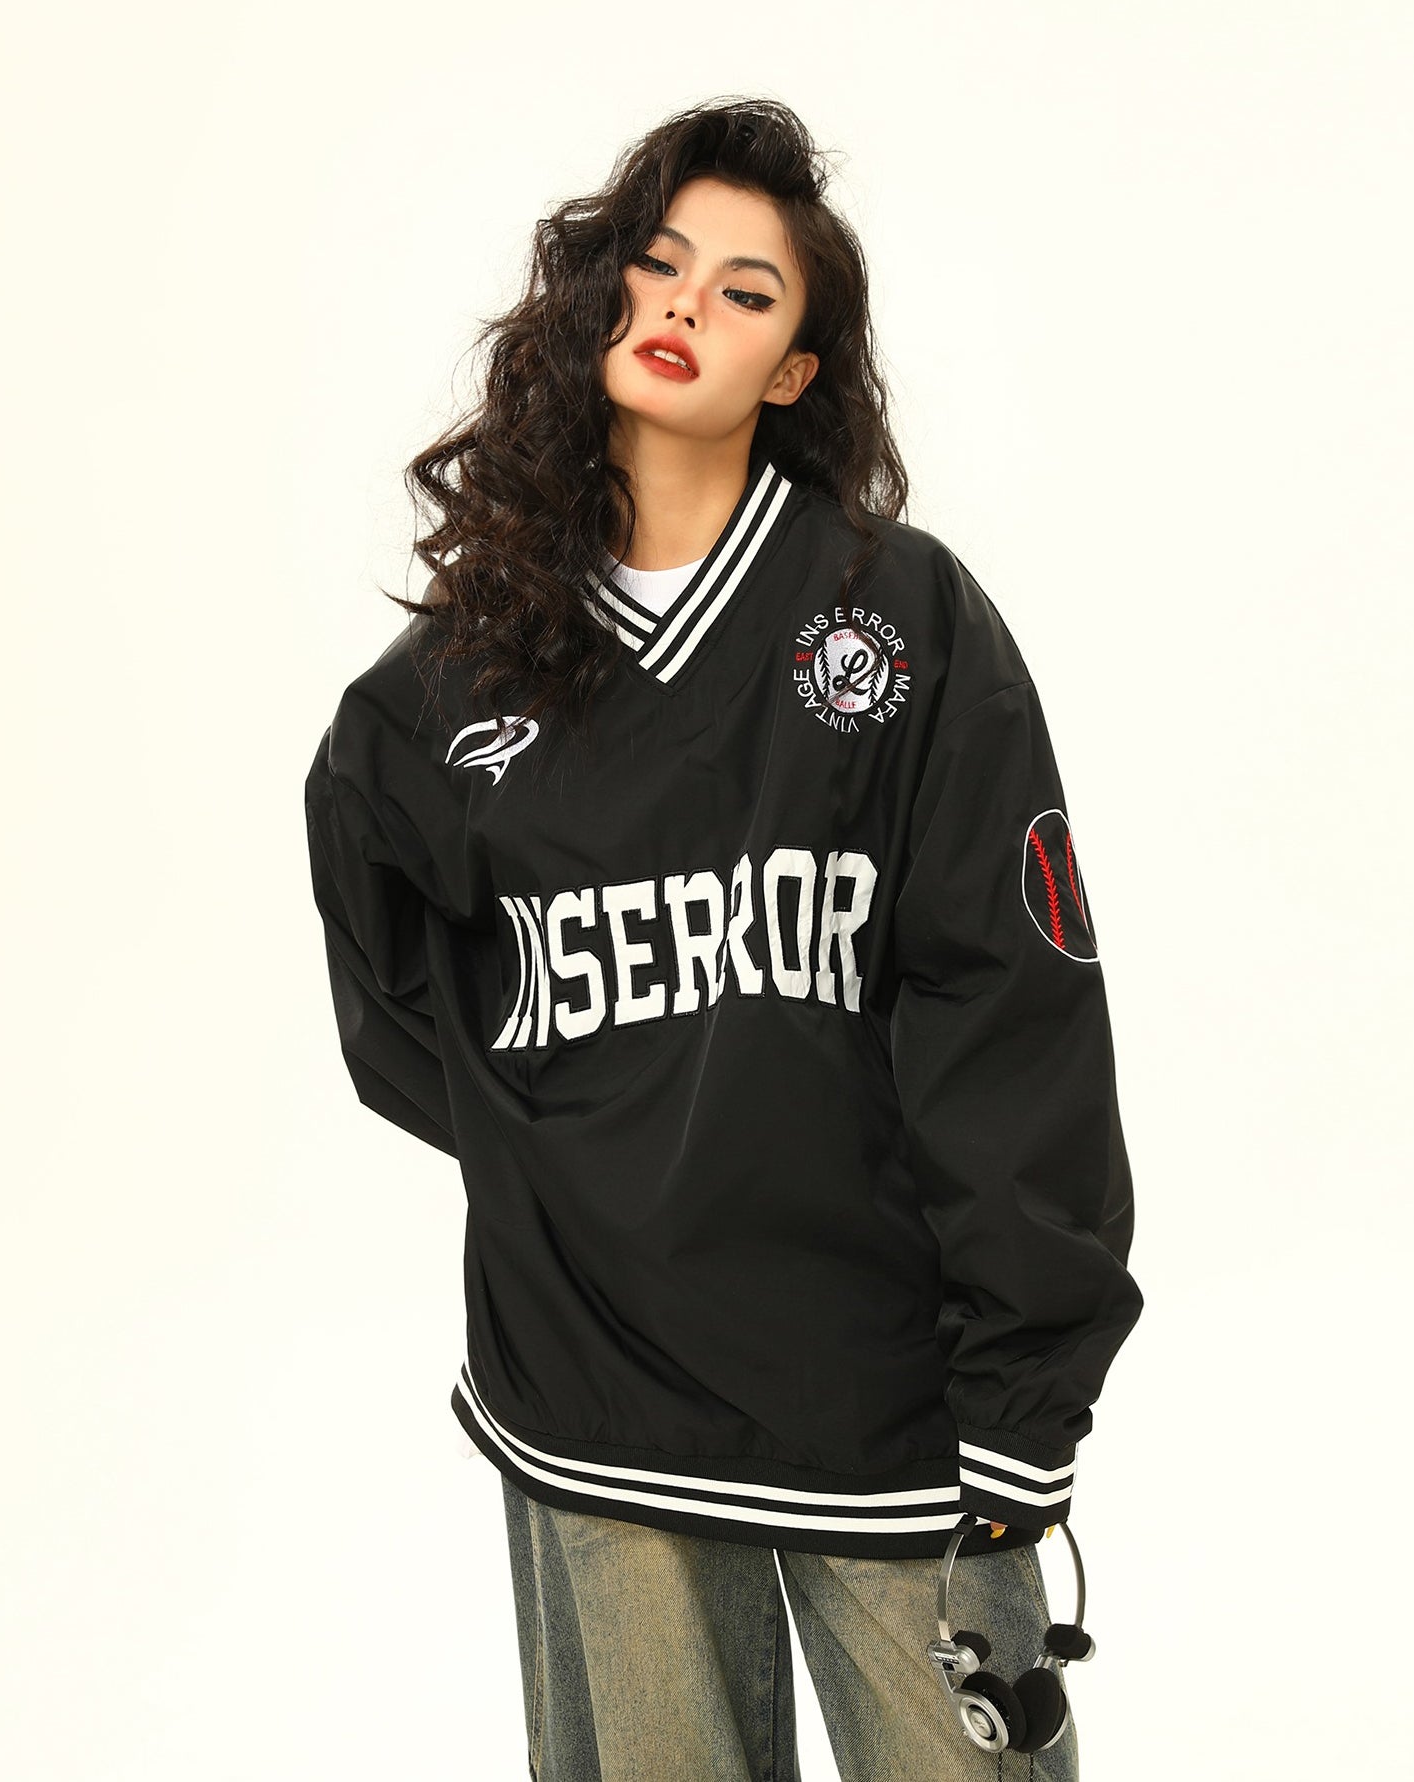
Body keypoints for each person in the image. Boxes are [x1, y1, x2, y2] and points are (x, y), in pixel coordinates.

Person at [303, 95, 1143, 1781]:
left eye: (746, 291)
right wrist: (571, 1170)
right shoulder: (445, 687)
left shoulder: (898, 616)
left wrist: (1023, 1395)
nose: (686, 302)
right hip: (596, 1393)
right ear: (600, 293)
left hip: (891, 1399)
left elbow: (1008, 1004)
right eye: (659, 261)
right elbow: (399, 1007)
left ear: (793, 369)